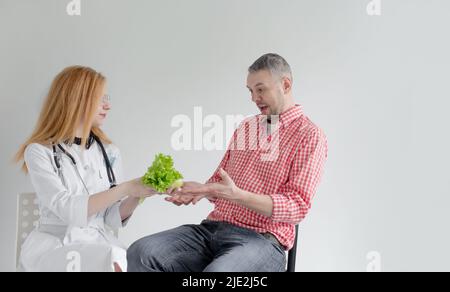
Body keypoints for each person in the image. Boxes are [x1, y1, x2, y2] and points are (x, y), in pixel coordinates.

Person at [127, 53, 328, 272]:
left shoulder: (309, 135)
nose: (254, 98)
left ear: (286, 84)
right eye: (250, 91)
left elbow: (296, 207)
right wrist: (202, 190)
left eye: (261, 89)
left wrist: (238, 195)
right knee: (141, 252)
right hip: (212, 230)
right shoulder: (247, 127)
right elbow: (221, 183)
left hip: (261, 240)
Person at [15, 66, 158, 272]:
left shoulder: (110, 151)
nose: (107, 105)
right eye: (100, 98)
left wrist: (137, 194)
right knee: (113, 259)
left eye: (106, 98)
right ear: (76, 100)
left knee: (137, 260)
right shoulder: (39, 151)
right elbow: (67, 210)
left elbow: (110, 217)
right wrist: (126, 188)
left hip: (97, 240)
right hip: (57, 245)